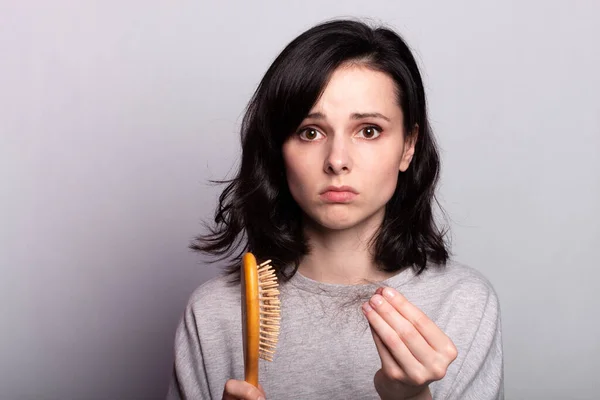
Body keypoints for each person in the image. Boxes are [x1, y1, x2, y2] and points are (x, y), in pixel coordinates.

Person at [167, 19, 503, 400]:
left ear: (408, 145)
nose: (337, 161)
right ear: (279, 149)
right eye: (310, 132)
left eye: (369, 130)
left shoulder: (463, 303)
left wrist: (411, 398)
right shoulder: (215, 312)